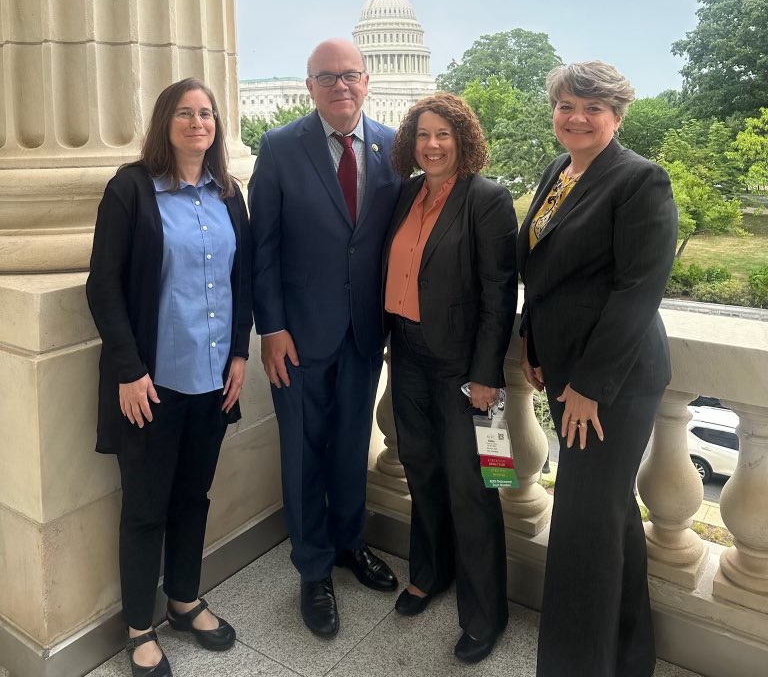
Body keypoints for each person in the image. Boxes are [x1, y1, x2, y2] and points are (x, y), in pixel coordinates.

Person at [87, 79, 252, 677]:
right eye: (185, 113)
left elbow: (243, 282)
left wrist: (239, 354)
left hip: (213, 382)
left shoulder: (229, 194)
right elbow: (103, 287)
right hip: (152, 386)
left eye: (207, 113)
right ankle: (139, 627)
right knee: (145, 507)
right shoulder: (131, 190)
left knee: (192, 498)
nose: (198, 122)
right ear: (166, 122)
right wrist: (129, 371)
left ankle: (184, 600)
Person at [517, 61, 678, 677]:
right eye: (566, 106)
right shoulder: (560, 171)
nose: (576, 118)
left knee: (584, 520)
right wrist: (531, 339)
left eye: (592, 107)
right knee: (607, 512)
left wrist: (587, 385)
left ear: (617, 115)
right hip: (565, 370)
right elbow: (544, 269)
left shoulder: (641, 180)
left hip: (612, 381)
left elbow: (639, 290)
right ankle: (626, 657)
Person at [248, 38, 401, 638]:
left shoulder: (394, 147)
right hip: (299, 338)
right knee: (304, 454)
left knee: (349, 445)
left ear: (367, 81)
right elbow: (264, 250)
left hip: (366, 333)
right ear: (309, 86)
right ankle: (313, 570)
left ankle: (348, 545)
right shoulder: (281, 147)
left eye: (351, 76)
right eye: (327, 77)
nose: (341, 86)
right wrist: (272, 327)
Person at [384, 93, 518, 665]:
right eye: (422, 135)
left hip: (463, 369)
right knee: (422, 469)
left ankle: (487, 612)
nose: (432, 145)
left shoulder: (487, 200)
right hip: (408, 355)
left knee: (474, 487)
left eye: (443, 134)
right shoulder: (407, 194)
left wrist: (486, 375)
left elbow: (499, 294)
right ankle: (430, 573)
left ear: (463, 139)